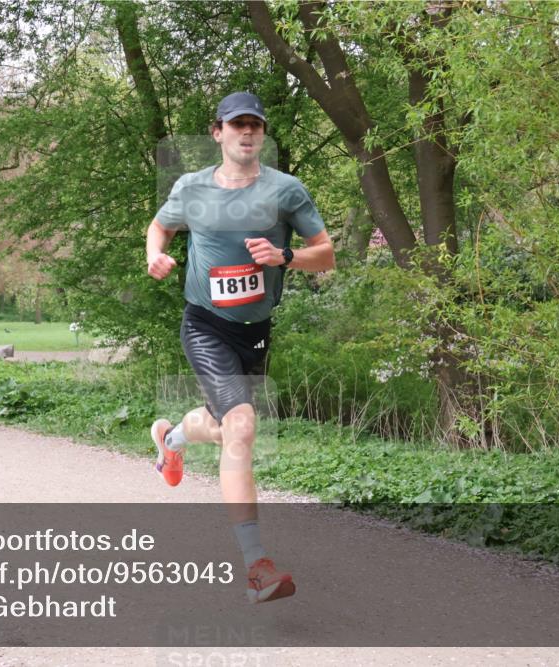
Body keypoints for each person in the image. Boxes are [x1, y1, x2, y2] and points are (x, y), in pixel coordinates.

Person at [145, 91, 335, 603]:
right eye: (236, 125)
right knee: (244, 426)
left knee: (226, 424)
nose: (246, 132)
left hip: (255, 331)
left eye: (254, 125)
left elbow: (326, 255)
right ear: (218, 133)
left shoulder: (286, 191)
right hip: (205, 324)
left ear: (263, 134)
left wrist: (284, 255)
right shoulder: (192, 188)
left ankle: (173, 440)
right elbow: (160, 226)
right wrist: (155, 256)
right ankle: (257, 568)